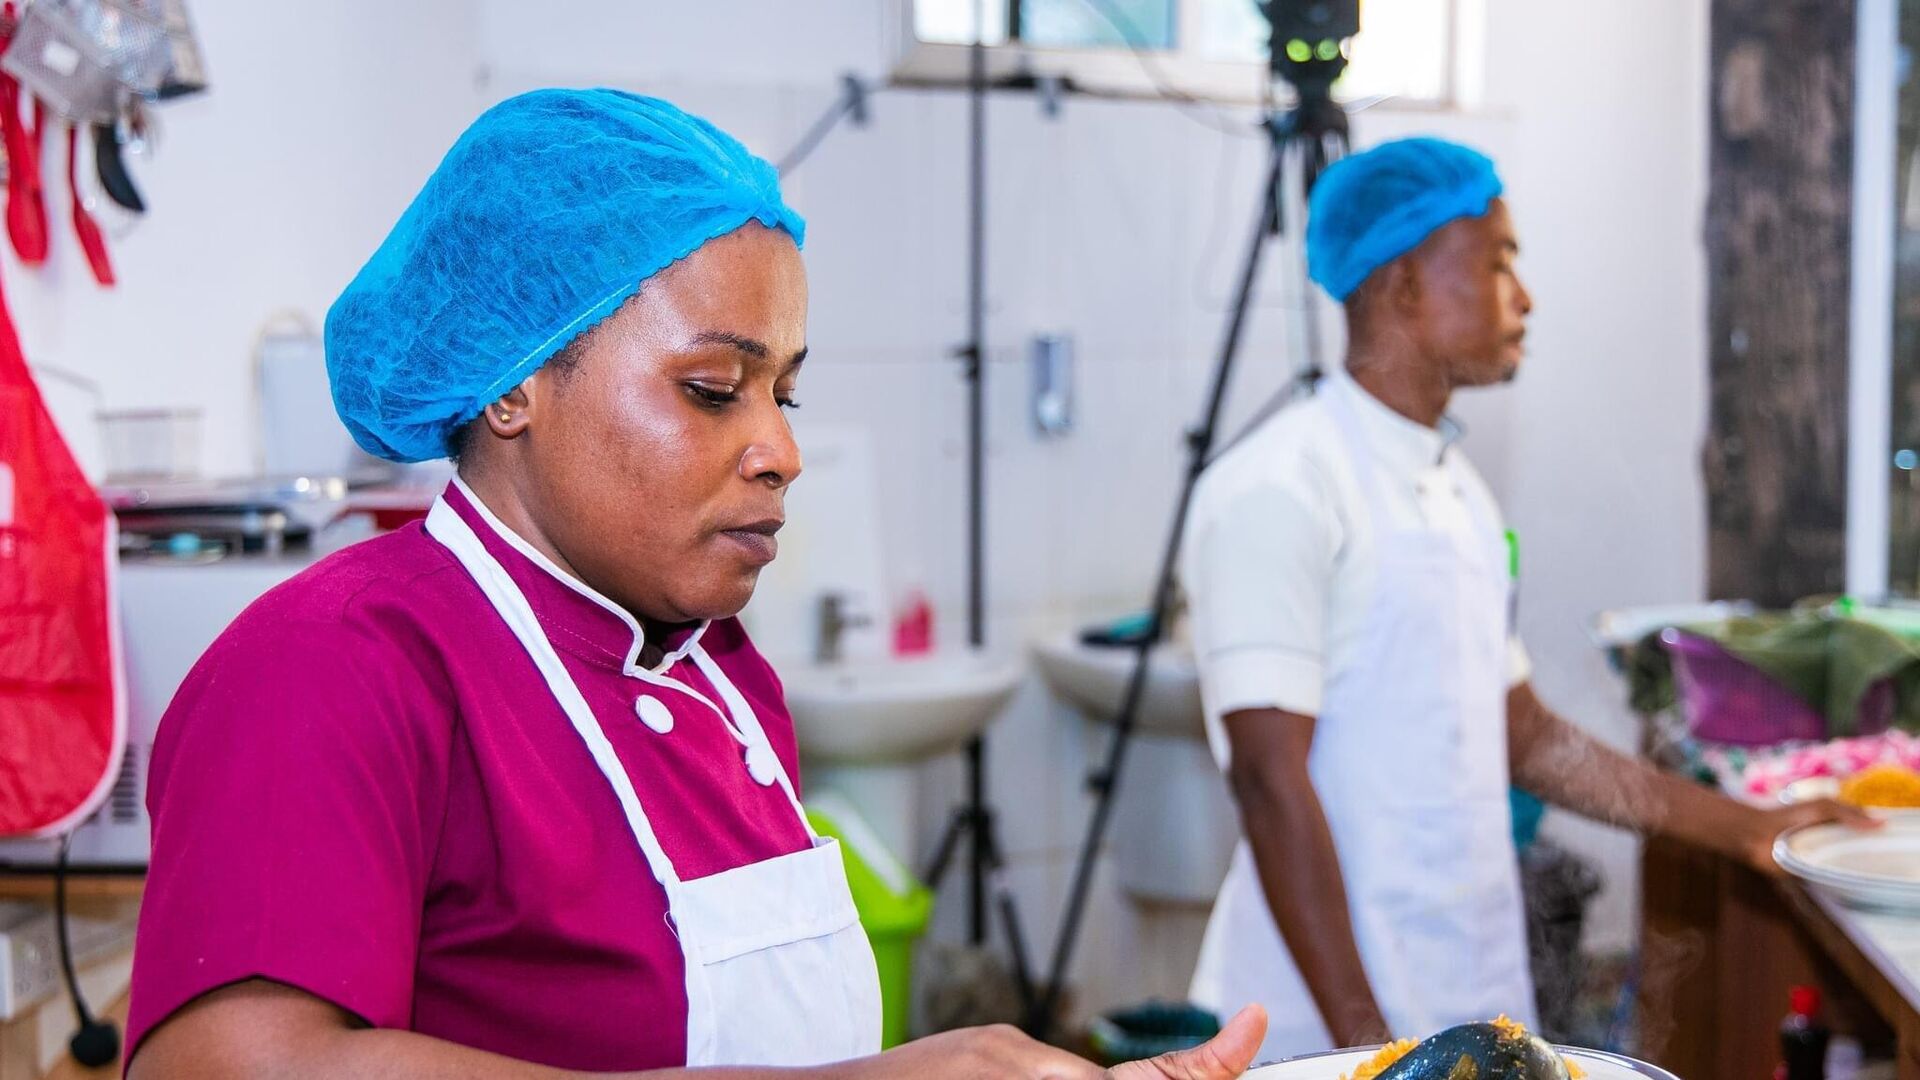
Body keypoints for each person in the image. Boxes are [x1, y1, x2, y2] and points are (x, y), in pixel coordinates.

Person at [125, 88, 1265, 1079]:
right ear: (517, 385)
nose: (781, 449)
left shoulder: (722, 679)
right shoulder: (339, 665)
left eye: (788, 395)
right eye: (716, 388)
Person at [1181, 136, 1871, 1059]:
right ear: (1403, 284)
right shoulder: (1280, 486)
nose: (1526, 295)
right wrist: (1374, 1053)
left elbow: (1525, 738)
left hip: (1463, 989)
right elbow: (1269, 781)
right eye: (1500, 260)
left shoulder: (1459, 491)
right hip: (1322, 1027)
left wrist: (1749, 831)